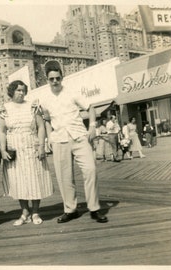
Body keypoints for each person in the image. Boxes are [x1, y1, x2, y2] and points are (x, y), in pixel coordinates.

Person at [40, 61, 108, 224]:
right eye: (51, 79)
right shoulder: (45, 99)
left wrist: (92, 127)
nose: (55, 81)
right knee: (64, 177)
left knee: (90, 170)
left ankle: (94, 208)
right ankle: (70, 210)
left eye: (57, 78)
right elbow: (47, 120)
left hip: (79, 137)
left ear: (62, 77)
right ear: (47, 79)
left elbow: (91, 108)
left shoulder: (73, 92)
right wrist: (49, 137)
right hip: (59, 140)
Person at [0, 80, 53, 226]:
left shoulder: (33, 106)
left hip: (31, 145)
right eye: (18, 90)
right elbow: (2, 131)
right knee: (18, 181)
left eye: (23, 90)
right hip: (14, 148)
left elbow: (41, 127)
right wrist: (3, 150)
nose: (21, 93)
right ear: (11, 92)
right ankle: (24, 213)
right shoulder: (4, 108)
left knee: (34, 179)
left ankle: (35, 212)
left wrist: (42, 146)